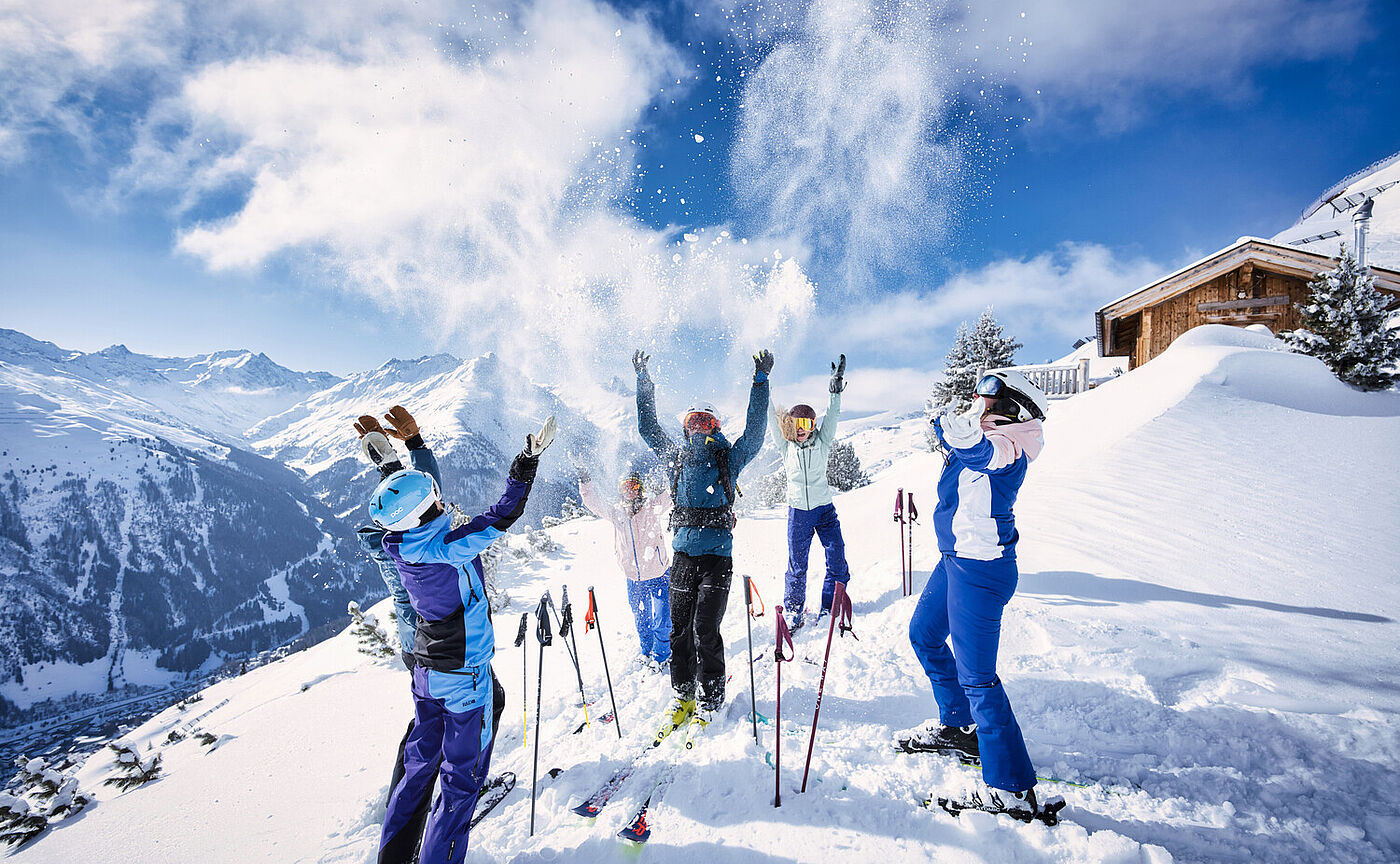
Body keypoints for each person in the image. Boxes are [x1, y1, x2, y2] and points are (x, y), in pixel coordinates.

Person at [373, 411, 556, 864]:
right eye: (436, 499)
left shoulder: (401, 543)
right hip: (463, 680)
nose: (442, 501)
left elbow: (410, 503)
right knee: (459, 785)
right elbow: (502, 514)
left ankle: (393, 857)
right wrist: (526, 463)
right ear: (428, 509)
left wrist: (392, 466)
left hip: (427, 673)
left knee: (418, 770)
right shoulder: (448, 547)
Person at [901, 369, 1057, 820]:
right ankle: (958, 725)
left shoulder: (1011, 448)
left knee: (979, 679)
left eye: (988, 392)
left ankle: (1011, 790)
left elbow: (985, 455)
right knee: (924, 635)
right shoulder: (985, 434)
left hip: (980, 572)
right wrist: (946, 428)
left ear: (1014, 406)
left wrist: (967, 441)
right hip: (955, 562)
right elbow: (958, 445)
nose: (977, 396)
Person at [634, 348, 771, 735]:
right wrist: (644, 381)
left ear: (715, 426)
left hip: (716, 559)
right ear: (685, 426)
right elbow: (647, 429)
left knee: (704, 630)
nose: (699, 426)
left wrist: (760, 381)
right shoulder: (675, 457)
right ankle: (682, 694)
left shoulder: (729, 459)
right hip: (682, 556)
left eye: (706, 420)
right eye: (693, 420)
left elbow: (756, 434)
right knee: (679, 630)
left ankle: (710, 697)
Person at [769, 354, 849, 630]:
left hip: (824, 509)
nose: (803, 430)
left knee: (836, 553)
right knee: (797, 565)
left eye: (808, 425)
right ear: (790, 425)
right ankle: (794, 611)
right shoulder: (785, 446)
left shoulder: (822, 441)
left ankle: (832, 605)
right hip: (798, 512)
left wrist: (834, 390)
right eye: (797, 425)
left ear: (814, 426)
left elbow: (834, 415)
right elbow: (769, 415)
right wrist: (761, 383)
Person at [577, 465, 673, 668]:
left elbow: (671, 493)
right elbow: (593, 503)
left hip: (658, 574)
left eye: (634, 485)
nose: (630, 489)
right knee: (641, 618)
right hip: (634, 578)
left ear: (640, 488)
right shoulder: (616, 512)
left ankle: (662, 655)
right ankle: (647, 651)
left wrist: (681, 470)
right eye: (626, 486)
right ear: (621, 490)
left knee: (662, 619)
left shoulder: (652, 507)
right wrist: (585, 481)